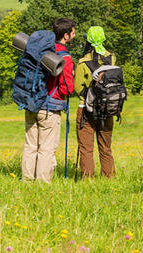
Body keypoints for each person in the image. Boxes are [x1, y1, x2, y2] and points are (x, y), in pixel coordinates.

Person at [21, 18, 75, 182]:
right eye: (73, 32)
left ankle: (27, 180)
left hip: (31, 103)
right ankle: (42, 183)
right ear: (65, 36)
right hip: (50, 108)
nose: (74, 35)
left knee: (31, 145)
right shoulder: (64, 58)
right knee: (46, 147)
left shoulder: (40, 51)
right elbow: (67, 89)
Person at [73, 26, 117, 178]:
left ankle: (88, 180)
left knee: (86, 148)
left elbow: (78, 88)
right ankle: (109, 177)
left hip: (86, 108)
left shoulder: (83, 62)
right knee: (105, 147)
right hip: (107, 108)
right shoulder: (111, 58)